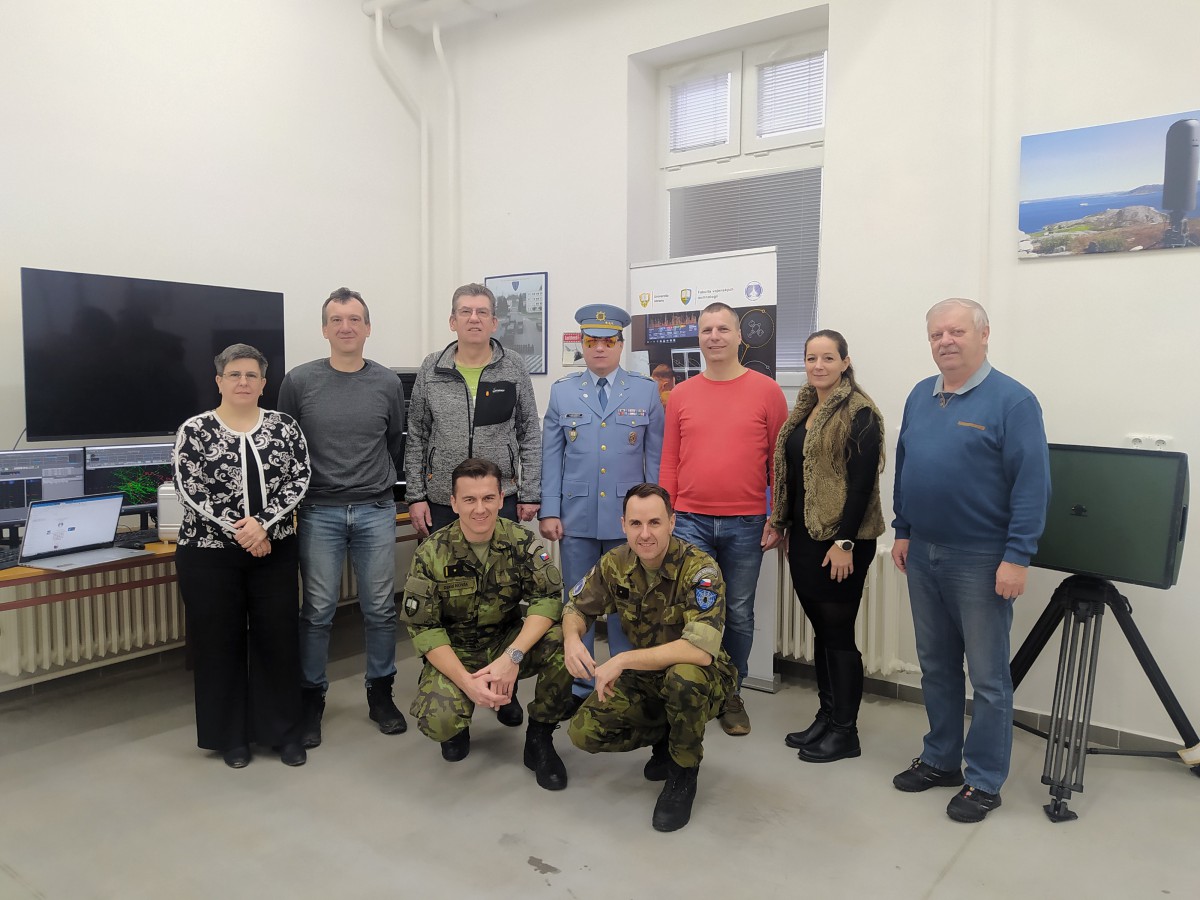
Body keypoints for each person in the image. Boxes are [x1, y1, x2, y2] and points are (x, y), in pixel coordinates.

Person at [891, 297, 1049, 823]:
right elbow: (906, 466)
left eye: (956, 331)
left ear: (984, 335)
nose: (946, 341)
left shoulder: (1013, 401)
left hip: (982, 558)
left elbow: (1032, 485)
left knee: (987, 677)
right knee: (936, 666)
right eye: (937, 334)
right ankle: (941, 758)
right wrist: (904, 529)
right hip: (923, 552)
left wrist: (1018, 556)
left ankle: (983, 779)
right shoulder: (920, 395)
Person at [277, 287, 408, 748]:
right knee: (317, 612)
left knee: (380, 610)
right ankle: (311, 699)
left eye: (354, 319)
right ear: (324, 329)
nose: (346, 327)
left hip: (375, 508)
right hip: (318, 512)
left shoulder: (387, 383)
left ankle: (380, 694)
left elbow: (394, 441)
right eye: (337, 320)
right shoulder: (299, 381)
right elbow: (285, 445)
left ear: (368, 328)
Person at [563, 483, 736, 832]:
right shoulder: (616, 562)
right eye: (636, 524)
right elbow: (576, 607)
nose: (645, 534)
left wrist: (621, 660)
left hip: (703, 677)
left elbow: (699, 651)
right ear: (623, 525)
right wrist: (571, 638)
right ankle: (666, 736)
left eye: (655, 522)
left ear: (672, 522)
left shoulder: (700, 568)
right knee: (584, 732)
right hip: (647, 677)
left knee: (683, 677)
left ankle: (683, 772)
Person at [173, 343, 311, 768]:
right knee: (218, 645)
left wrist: (263, 524)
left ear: (264, 383)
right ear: (219, 381)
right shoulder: (195, 430)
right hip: (208, 556)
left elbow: (300, 477)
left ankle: (283, 733)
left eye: (252, 375)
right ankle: (229, 737)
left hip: (274, 552)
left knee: (278, 641)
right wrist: (246, 532)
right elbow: (190, 488)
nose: (243, 381)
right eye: (234, 374)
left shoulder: (284, 427)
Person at [402, 458, 573, 790]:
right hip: (457, 651)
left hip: (506, 641)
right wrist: (466, 683)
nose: (480, 509)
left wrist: (512, 657)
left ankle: (539, 738)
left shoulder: (520, 541)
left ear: (500, 498)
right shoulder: (431, 553)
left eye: (488, 498)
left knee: (564, 641)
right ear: (454, 503)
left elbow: (548, 599)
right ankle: (461, 719)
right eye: (469, 499)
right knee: (439, 721)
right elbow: (424, 629)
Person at [658, 301, 789, 735]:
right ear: (698, 337)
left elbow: (779, 464)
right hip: (690, 520)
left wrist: (777, 516)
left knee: (738, 611)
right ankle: (694, 688)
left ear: (739, 336)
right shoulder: (681, 394)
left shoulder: (767, 391)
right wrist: (667, 511)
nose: (714, 336)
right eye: (706, 330)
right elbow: (670, 459)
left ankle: (731, 693)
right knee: (695, 608)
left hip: (747, 522)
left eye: (722, 329)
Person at [769, 330, 885, 763]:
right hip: (804, 536)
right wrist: (783, 524)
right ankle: (827, 716)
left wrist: (845, 542)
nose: (818, 365)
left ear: (845, 362)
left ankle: (845, 732)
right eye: (811, 358)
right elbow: (794, 476)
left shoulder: (860, 413)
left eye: (828, 358)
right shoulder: (805, 408)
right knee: (822, 630)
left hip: (842, 542)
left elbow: (862, 486)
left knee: (838, 634)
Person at [540, 303, 664, 709]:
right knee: (578, 603)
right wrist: (549, 510)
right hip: (575, 518)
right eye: (591, 341)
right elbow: (551, 457)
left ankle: (622, 683)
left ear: (620, 345)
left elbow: (655, 459)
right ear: (582, 344)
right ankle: (579, 686)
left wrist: (655, 518)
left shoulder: (645, 390)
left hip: (628, 522)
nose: (599, 349)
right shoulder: (562, 391)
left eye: (608, 341)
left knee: (626, 604)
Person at [404, 283, 542, 538]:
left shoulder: (513, 366)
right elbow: (416, 435)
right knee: (441, 564)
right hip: (442, 500)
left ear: (494, 322)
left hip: (499, 498)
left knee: (502, 564)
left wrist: (530, 493)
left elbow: (530, 432)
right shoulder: (432, 367)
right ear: (453, 321)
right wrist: (415, 496)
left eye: (482, 312)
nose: (474, 318)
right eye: (466, 311)